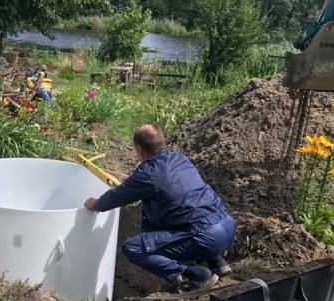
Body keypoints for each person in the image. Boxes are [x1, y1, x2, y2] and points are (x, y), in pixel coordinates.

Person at [84, 125, 236, 292]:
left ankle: (198, 275)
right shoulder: (179, 158)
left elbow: (116, 197)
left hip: (205, 238)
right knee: (183, 217)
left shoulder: (148, 174)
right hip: (227, 225)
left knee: (133, 248)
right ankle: (218, 263)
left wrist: (95, 204)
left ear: (139, 149)